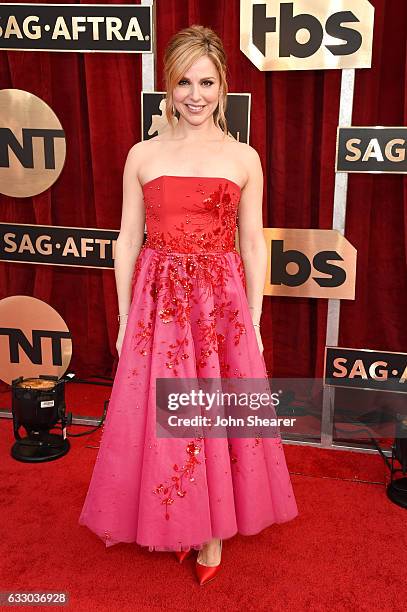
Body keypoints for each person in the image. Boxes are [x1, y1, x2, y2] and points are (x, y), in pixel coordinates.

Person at [79, 24, 298, 586]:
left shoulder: (244, 157)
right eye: (183, 82)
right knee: (162, 417)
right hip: (159, 304)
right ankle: (176, 513)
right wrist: (126, 316)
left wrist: (253, 317)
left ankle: (212, 529)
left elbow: (253, 244)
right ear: (167, 86)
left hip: (219, 304)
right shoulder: (143, 155)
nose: (194, 95)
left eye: (206, 82)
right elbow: (127, 240)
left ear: (223, 86)